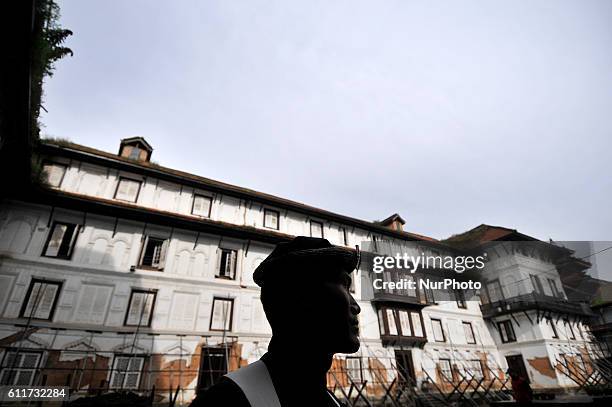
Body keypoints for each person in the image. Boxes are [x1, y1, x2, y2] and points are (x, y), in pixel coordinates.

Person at [190, 236, 361, 407]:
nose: (356, 306)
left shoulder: (329, 399)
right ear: (301, 298)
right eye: (344, 285)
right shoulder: (224, 401)